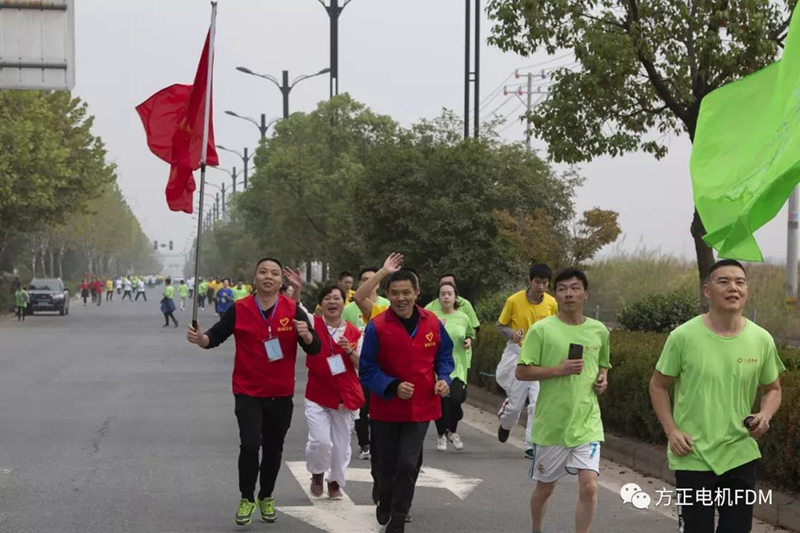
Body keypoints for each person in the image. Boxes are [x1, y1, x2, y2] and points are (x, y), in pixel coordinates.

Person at [649, 259, 785, 533]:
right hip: (693, 455)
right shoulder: (683, 337)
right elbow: (658, 385)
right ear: (707, 290)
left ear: (747, 291)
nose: (733, 287)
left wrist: (765, 414)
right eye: (724, 281)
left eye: (740, 282)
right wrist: (672, 431)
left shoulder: (761, 339)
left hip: (739, 453)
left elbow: (773, 389)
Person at [186, 257, 321, 526]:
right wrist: (201, 339)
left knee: (273, 449)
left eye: (274, 273)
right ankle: (247, 497)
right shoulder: (240, 308)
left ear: (281, 281)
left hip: (280, 393)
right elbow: (215, 336)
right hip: (248, 391)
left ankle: (266, 496)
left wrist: (307, 336)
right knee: (249, 445)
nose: (268, 277)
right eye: (262, 272)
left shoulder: (294, 309)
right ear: (255, 277)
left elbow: (315, 347)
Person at [516, 268, 610, 533]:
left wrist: (603, 378)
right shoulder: (542, 330)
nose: (569, 293)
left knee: (589, 485)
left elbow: (603, 365)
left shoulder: (599, 331)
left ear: (585, 293)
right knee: (545, 489)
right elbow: (521, 371)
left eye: (575, 288)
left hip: (587, 421)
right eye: (563, 289)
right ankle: (537, 528)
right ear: (555, 294)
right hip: (552, 424)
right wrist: (559, 369)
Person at [359, 269, 454, 532]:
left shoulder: (432, 322)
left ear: (416, 292)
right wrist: (392, 385)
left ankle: (399, 516)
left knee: (408, 463)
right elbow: (366, 369)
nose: (401, 298)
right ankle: (385, 497)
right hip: (386, 408)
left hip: (422, 407)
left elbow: (444, 356)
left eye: (406, 293)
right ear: (387, 296)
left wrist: (444, 377)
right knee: (386, 465)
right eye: (395, 294)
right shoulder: (377, 326)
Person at [305, 285, 365, 499]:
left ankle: (335, 482)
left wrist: (349, 350)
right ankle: (318, 472)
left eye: (337, 298)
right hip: (317, 395)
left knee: (340, 446)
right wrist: (294, 287)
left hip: (344, 397)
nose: (332, 302)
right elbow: (295, 310)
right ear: (321, 304)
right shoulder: (313, 324)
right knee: (321, 441)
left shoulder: (355, 332)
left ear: (344, 302)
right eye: (327, 298)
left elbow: (362, 366)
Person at [496, 264, 558, 459]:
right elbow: (500, 325)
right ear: (530, 280)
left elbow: (558, 326)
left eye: (545, 283)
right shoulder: (514, 301)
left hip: (541, 357)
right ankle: (506, 423)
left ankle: (531, 444)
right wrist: (512, 334)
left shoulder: (551, 303)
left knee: (537, 403)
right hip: (518, 353)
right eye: (538, 282)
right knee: (515, 406)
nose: (541, 287)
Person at [343, 266, 391, 461]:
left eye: (371, 279)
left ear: (378, 283)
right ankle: (365, 444)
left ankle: (380, 443)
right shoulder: (349, 310)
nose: (367, 282)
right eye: (363, 279)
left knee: (378, 407)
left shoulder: (388, 305)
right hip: (355, 364)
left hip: (381, 368)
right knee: (361, 407)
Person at [432, 282, 475, 452]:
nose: (446, 297)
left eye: (449, 294)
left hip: (458, 365)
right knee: (442, 401)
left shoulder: (463, 318)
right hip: (439, 366)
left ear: (455, 297)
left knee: (456, 399)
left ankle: (453, 431)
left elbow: (471, 334)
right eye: (443, 294)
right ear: (439, 297)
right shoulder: (432, 316)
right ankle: (441, 434)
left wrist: (468, 341)